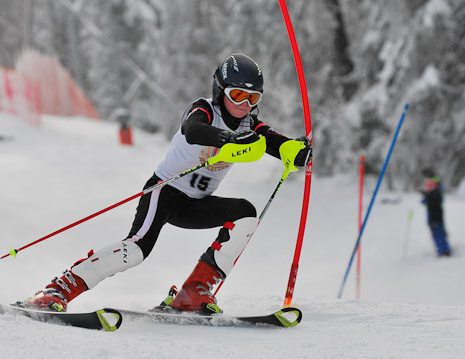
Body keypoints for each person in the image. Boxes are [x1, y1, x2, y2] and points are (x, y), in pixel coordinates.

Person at [23, 53, 313, 314]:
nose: (244, 105)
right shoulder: (204, 109)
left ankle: (193, 292)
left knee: (245, 213)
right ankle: (58, 289)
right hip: (165, 191)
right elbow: (192, 130)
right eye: (237, 95)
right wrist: (226, 139)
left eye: (253, 99)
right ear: (220, 90)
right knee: (135, 250)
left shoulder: (251, 126)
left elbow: (276, 143)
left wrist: (295, 151)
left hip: (196, 204)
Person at [421, 169, 451, 257]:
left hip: (435, 216)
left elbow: (438, 185)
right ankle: (444, 250)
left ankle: (443, 251)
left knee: (438, 234)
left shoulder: (436, 193)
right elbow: (424, 202)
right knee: (438, 233)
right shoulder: (431, 194)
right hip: (434, 215)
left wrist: (434, 178)